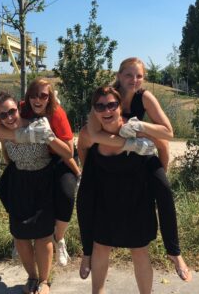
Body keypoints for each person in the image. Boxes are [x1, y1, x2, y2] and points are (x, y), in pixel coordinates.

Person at [80, 57, 192, 283]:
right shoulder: (106, 97)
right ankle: (87, 253)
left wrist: (141, 128)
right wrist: (126, 144)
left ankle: (174, 252)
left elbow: (167, 134)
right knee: (84, 198)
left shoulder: (145, 97)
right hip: (114, 150)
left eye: (139, 76)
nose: (134, 80)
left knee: (164, 190)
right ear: (119, 76)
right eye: (129, 75)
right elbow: (92, 135)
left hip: (140, 149)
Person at [77, 86, 158, 294]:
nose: (106, 110)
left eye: (112, 105)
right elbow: (82, 151)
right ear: (94, 110)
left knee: (139, 250)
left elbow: (164, 142)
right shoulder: (89, 133)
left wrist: (161, 175)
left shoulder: (134, 129)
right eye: (100, 106)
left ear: (120, 107)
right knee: (100, 246)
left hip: (135, 198)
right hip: (105, 197)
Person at [0, 78, 77, 266]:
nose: (37, 100)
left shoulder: (57, 114)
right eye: (33, 95)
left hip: (59, 155)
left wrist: (49, 137)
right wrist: (25, 135)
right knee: (3, 188)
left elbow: (69, 152)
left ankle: (59, 238)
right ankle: (19, 234)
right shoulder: (21, 108)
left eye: (43, 96)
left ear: (50, 97)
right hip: (31, 156)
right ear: (27, 97)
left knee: (66, 193)